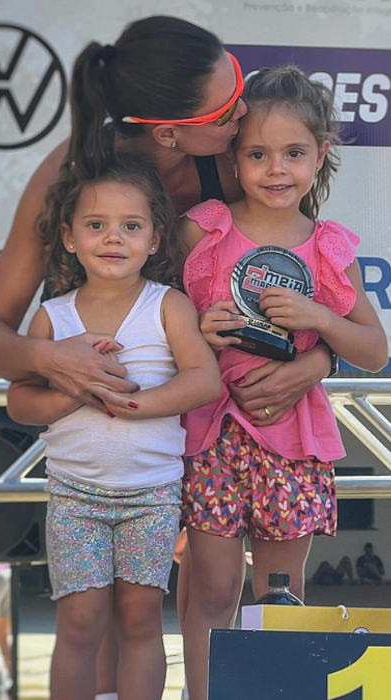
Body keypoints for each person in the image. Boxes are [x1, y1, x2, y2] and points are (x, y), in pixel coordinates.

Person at [177, 66, 387, 700]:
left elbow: (375, 350)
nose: (276, 169)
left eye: (294, 153)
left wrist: (322, 322)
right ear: (233, 159)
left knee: (281, 596)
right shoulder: (204, 228)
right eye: (258, 154)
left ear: (321, 156)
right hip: (213, 437)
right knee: (212, 589)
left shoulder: (330, 248)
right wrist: (198, 330)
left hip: (293, 444)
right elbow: (158, 326)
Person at [6, 153, 222, 700]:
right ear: (69, 236)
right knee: (80, 622)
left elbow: (203, 381)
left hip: (150, 497)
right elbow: (18, 401)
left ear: (155, 240)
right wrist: (71, 394)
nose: (113, 238)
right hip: (74, 496)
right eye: (96, 225)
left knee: (141, 620)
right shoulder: (53, 316)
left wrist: (133, 404)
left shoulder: (168, 305)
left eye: (131, 226)